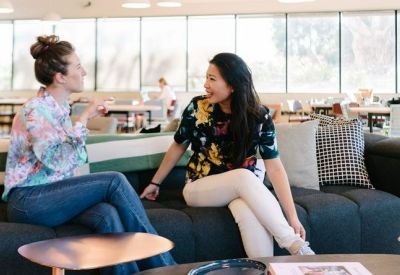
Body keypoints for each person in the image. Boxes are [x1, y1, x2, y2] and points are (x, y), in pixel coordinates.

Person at [2, 35, 175, 275]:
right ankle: (167, 268)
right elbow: (59, 162)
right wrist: (83, 120)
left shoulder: (59, 108)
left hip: (50, 195)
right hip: (29, 202)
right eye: (78, 66)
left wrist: (82, 120)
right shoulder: (36, 111)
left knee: (108, 215)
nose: (84, 72)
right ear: (60, 77)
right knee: (114, 181)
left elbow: (73, 161)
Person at [141, 52, 315, 257]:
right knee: (244, 176)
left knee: (248, 212)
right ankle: (295, 245)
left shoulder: (259, 116)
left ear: (232, 85)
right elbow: (179, 146)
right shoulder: (198, 107)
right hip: (199, 188)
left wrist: (293, 217)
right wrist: (155, 183)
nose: (205, 84)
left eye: (212, 79)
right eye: (206, 77)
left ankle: (264, 268)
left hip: (241, 189)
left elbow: (274, 167)